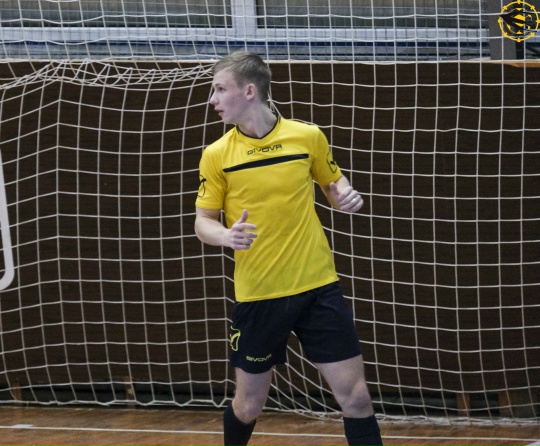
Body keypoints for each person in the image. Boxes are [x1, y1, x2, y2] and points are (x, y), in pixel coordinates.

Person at [195, 51, 383, 446]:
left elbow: (333, 184)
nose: (212, 99)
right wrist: (225, 236)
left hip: (318, 288)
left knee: (356, 398)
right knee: (249, 405)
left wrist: (346, 195)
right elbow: (203, 221)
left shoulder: (307, 136)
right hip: (260, 294)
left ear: (249, 91)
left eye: (220, 89)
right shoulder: (217, 155)